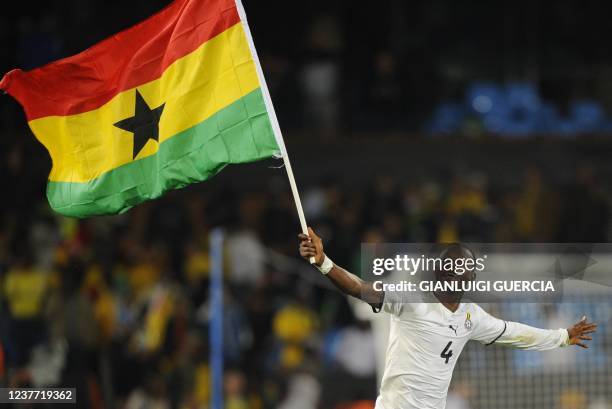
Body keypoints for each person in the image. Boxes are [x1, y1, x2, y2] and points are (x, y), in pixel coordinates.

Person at [298, 228, 597, 409]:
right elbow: (358, 288)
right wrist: (323, 262)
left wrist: (562, 337)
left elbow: (515, 333)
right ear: (443, 273)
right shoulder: (411, 300)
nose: (464, 273)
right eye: (458, 266)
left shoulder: (471, 316)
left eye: (467, 268)